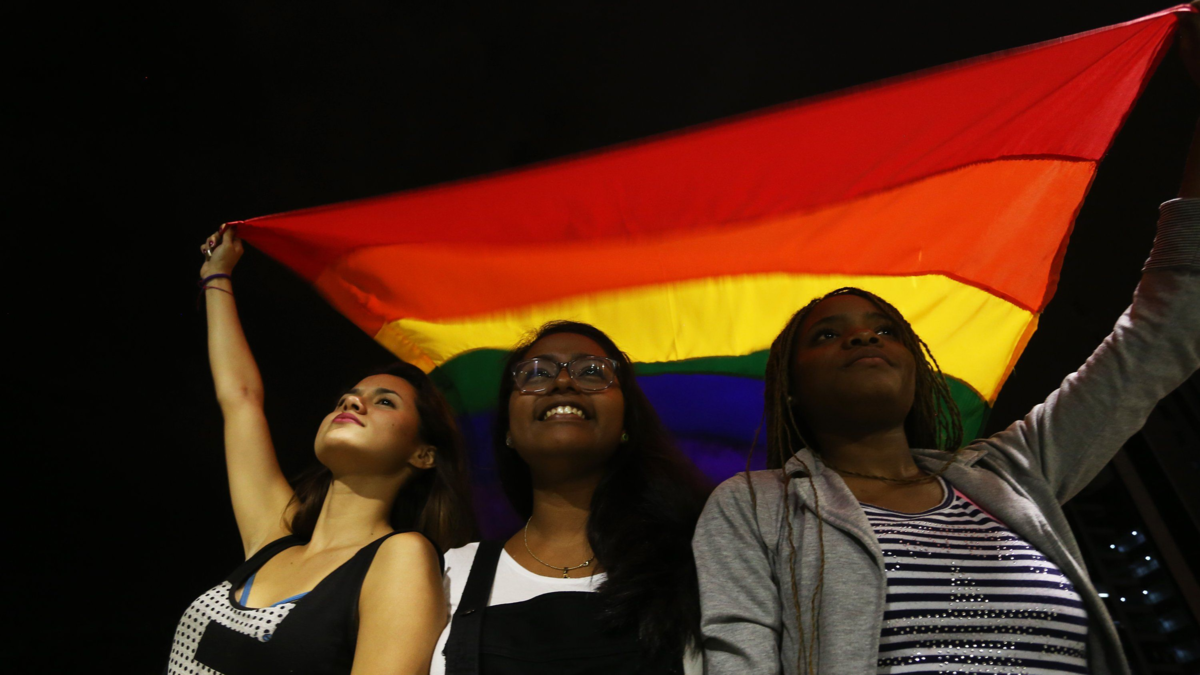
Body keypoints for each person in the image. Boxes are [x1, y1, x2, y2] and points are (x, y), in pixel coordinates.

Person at [693, 12, 1200, 675]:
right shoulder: (755, 504)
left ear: (916, 368)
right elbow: (736, 658)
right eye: (828, 334)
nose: (864, 337)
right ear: (791, 386)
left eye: (886, 330)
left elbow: (1168, 325)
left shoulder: (1016, 472)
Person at [167, 225, 476, 675]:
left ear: (423, 454)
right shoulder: (271, 539)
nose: (352, 403)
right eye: (347, 398)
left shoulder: (400, 557)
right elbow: (240, 400)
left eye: (384, 402)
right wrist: (217, 276)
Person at [430, 321, 712, 675]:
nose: (563, 381)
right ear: (508, 431)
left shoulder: (698, 559)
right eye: (536, 374)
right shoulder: (452, 573)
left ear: (627, 422)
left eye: (592, 372)